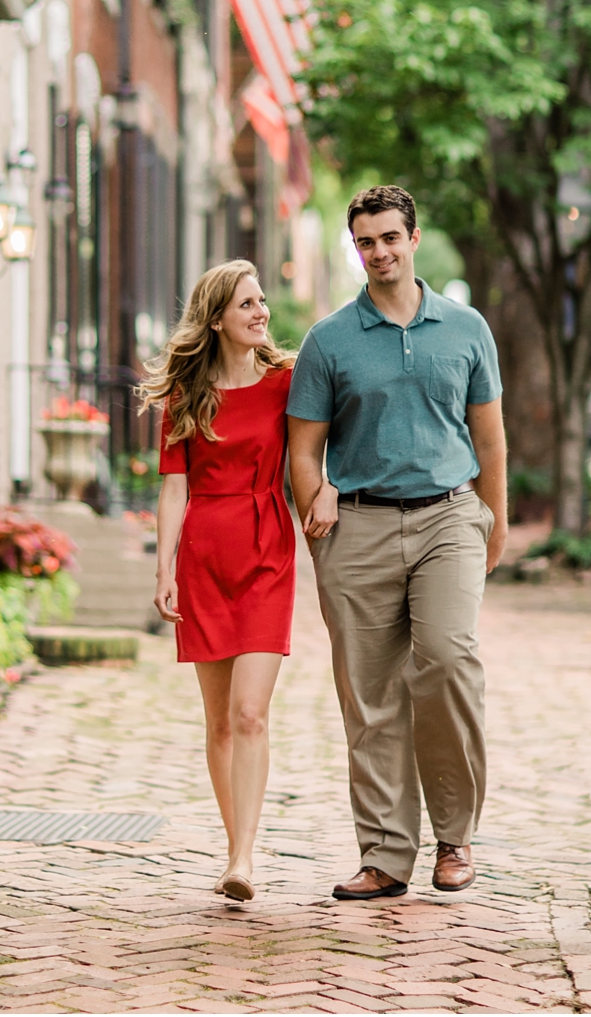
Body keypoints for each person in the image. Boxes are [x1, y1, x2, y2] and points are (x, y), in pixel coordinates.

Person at [287, 185, 508, 901]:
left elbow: (489, 436)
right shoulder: (329, 340)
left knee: (447, 661)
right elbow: (303, 448)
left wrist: (492, 522)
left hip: (449, 516)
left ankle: (455, 837)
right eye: (365, 242)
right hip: (359, 525)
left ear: (414, 238)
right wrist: (314, 505)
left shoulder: (466, 328)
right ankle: (385, 853)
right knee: (370, 692)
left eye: (389, 237)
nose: (378, 251)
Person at [141, 260, 296, 903]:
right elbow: (174, 485)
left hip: (267, 551)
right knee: (220, 724)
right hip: (204, 555)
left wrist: (328, 493)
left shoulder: (287, 383)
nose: (261, 312)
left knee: (251, 711)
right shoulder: (187, 395)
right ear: (216, 320)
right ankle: (237, 848)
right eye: (247, 305)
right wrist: (165, 568)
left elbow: (317, 450)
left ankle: (243, 857)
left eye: (261, 301)